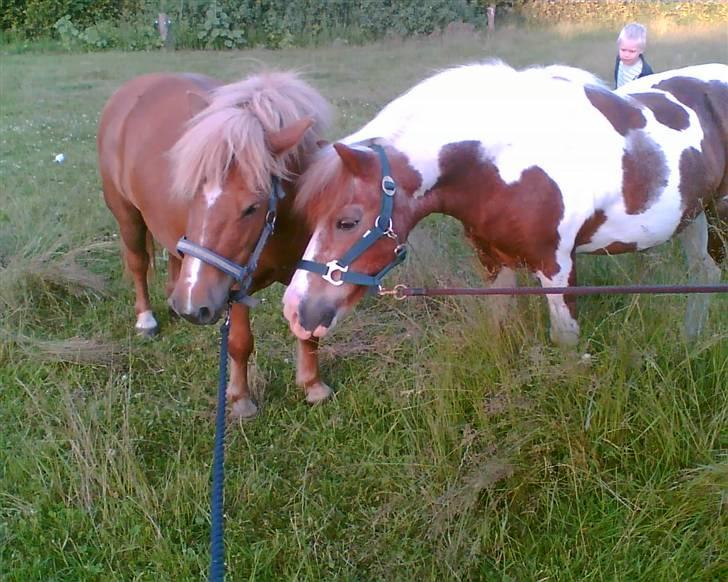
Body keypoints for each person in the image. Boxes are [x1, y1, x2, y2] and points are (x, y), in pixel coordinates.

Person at [614, 23, 654, 88]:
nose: (626, 55)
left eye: (632, 51)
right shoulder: (619, 59)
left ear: (641, 50)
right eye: (623, 50)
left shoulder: (645, 72)